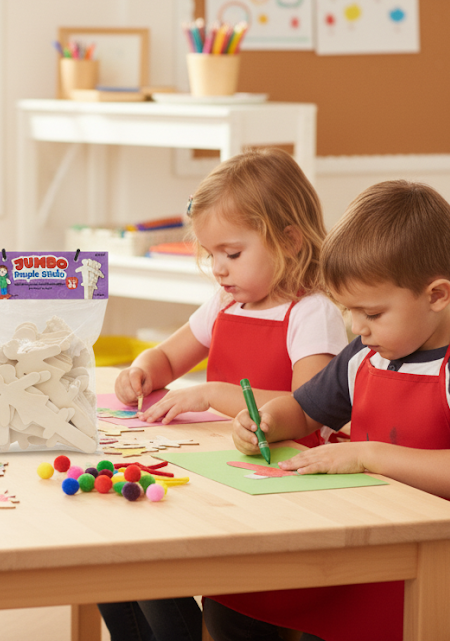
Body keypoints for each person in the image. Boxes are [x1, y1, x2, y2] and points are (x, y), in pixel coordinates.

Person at [206, 180, 450, 641]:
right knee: (236, 597)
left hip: (444, 564)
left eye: (372, 314)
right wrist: (266, 422)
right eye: (351, 312)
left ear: (437, 295)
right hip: (369, 538)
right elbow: (305, 410)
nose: (358, 328)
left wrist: (365, 454)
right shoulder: (364, 354)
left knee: (319, 612)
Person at [101, 148, 348, 641]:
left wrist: (213, 394)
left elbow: (309, 405)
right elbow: (169, 357)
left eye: (231, 254)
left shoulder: (310, 312)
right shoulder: (225, 301)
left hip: (284, 485)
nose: (218, 268)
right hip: (220, 470)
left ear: (290, 242)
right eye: (211, 255)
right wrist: (142, 370)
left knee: (160, 566)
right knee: (115, 551)